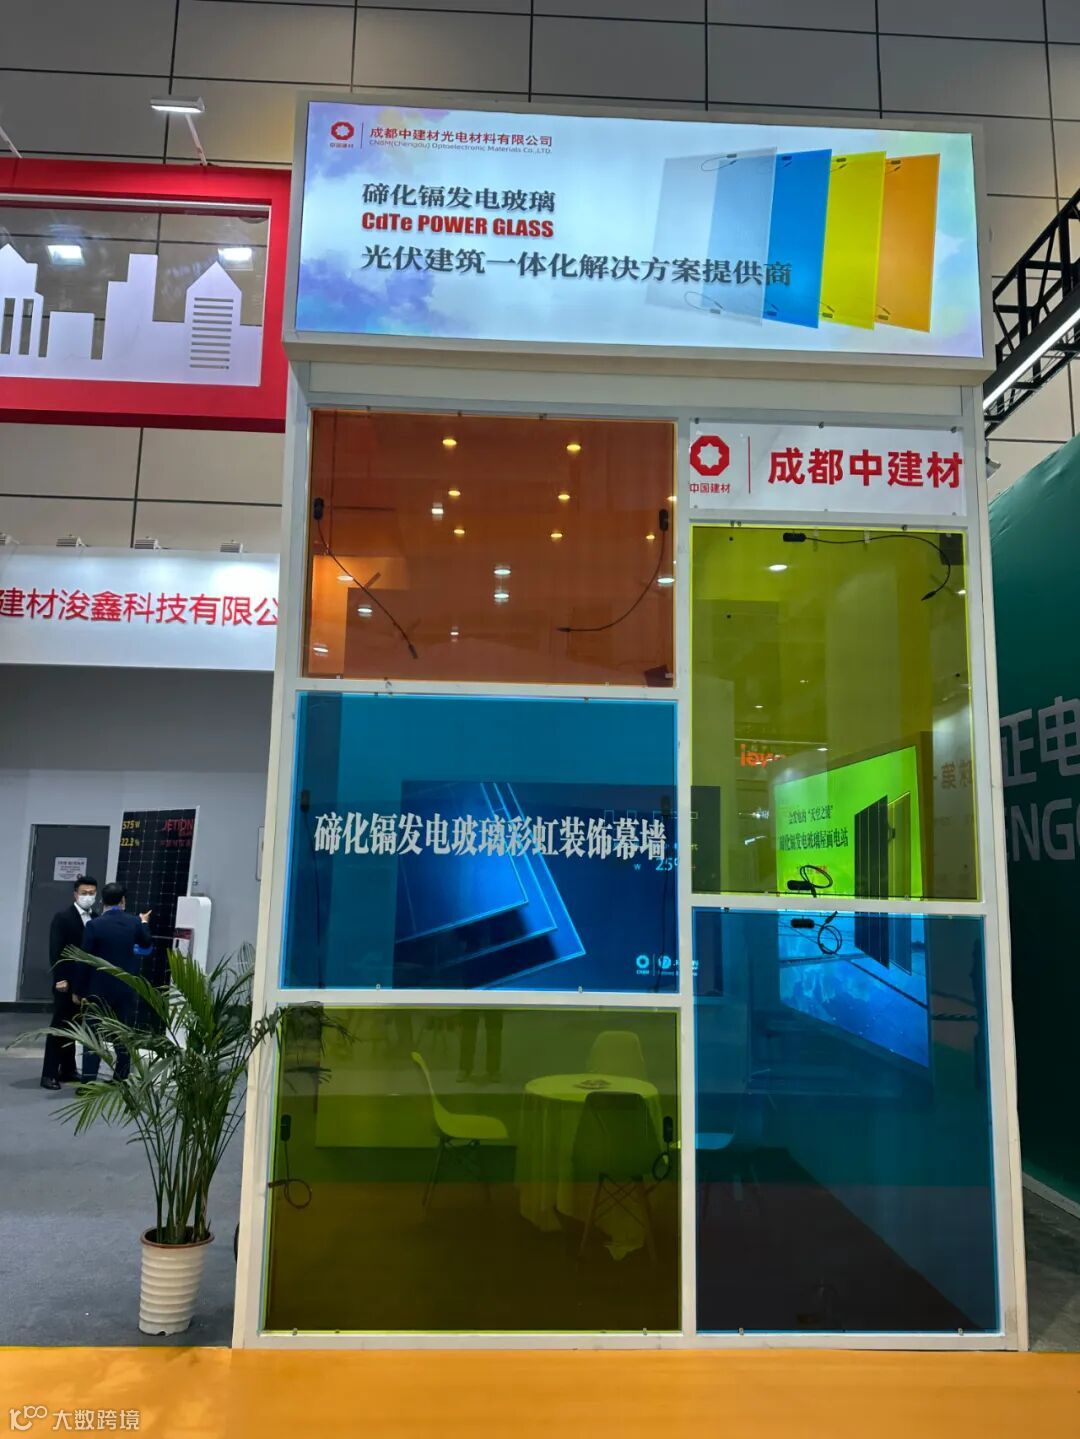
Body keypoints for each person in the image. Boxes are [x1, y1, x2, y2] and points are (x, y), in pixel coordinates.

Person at [77, 882, 153, 1084]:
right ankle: (121, 1078)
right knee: (123, 1034)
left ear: (102, 901)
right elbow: (146, 942)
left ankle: (88, 1080)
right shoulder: (134, 923)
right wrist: (144, 922)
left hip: (98, 990)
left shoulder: (94, 925)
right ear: (123, 901)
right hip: (125, 989)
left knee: (93, 1034)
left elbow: (84, 959)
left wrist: (79, 990)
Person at [39, 874, 98, 1091]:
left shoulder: (96, 918)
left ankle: (68, 1069)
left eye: (91, 893)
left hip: (86, 983)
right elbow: (56, 950)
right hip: (66, 982)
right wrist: (60, 978)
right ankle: (49, 1073)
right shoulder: (63, 918)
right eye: (84, 893)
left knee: (75, 1028)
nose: (88, 896)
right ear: (75, 894)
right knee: (59, 1027)